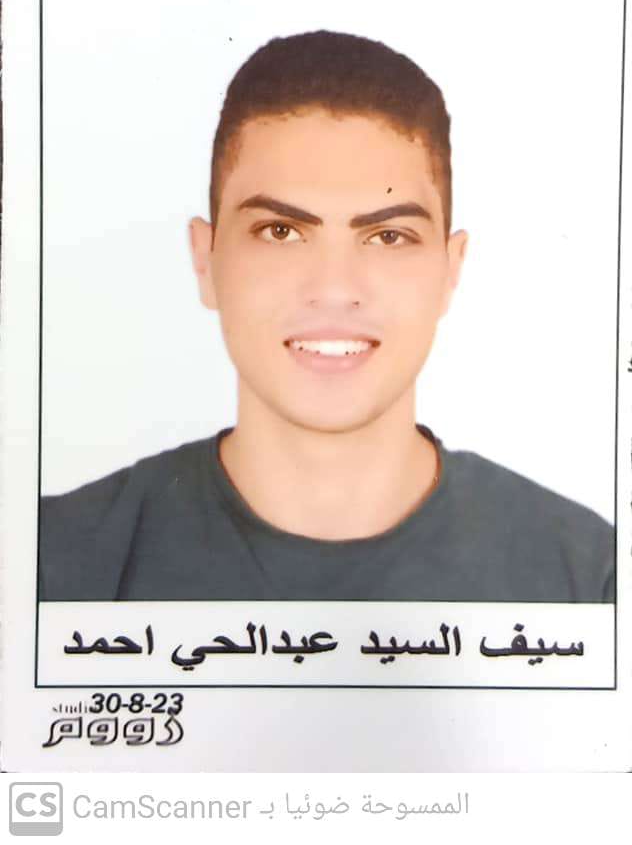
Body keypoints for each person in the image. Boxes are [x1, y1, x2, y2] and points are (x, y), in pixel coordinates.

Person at [39, 30, 614, 602]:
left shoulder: (594, 581)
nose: (334, 289)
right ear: (205, 260)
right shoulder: (44, 565)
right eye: (280, 231)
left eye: (388, 236)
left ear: (450, 269)